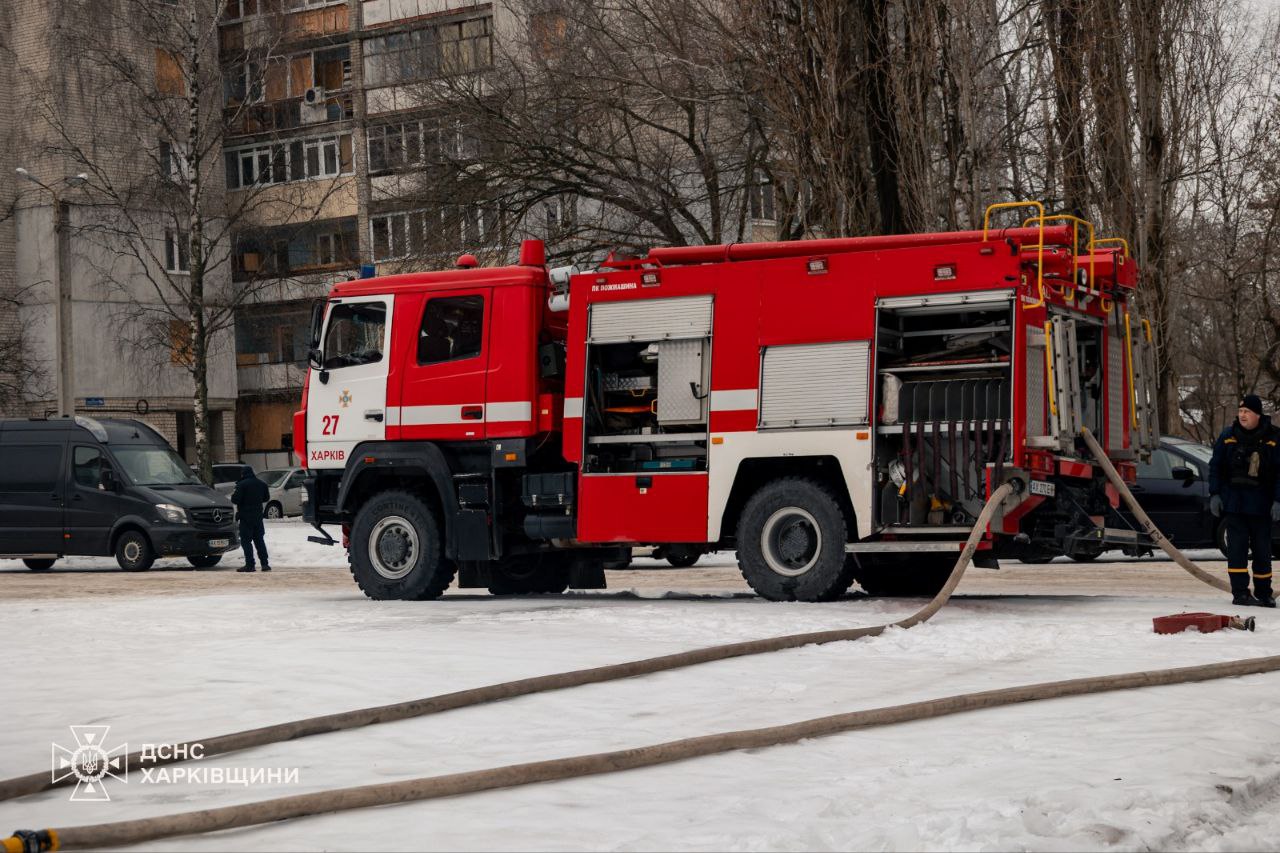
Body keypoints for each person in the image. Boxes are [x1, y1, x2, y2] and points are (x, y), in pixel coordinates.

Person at [1209, 394, 1280, 607]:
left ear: (1258, 414)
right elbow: (1216, 467)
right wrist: (1215, 494)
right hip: (1235, 504)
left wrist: (1278, 500)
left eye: (1247, 411)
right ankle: (1240, 593)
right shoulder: (1228, 436)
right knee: (1237, 551)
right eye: (1240, 411)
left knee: (1262, 552)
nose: (1242, 415)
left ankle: (1263, 593)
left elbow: (1279, 473)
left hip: (1261, 505)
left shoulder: (1274, 439)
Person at [231, 466, 271, 573]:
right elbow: (266, 498)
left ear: (243, 474)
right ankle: (265, 564)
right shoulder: (262, 484)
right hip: (258, 517)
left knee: (246, 541)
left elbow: (235, 500)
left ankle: (250, 564)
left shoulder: (241, 485)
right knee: (259, 540)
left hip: (245, 517)